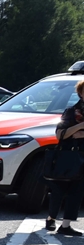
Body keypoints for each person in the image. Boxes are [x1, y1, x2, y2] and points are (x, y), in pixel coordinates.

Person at [47, 80, 84, 235]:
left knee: (78, 191)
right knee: (60, 189)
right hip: (69, 154)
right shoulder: (72, 111)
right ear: (80, 94)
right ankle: (51, 218)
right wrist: (79, 127)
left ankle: (66, 225)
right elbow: (60, 134)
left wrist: (77, 134)